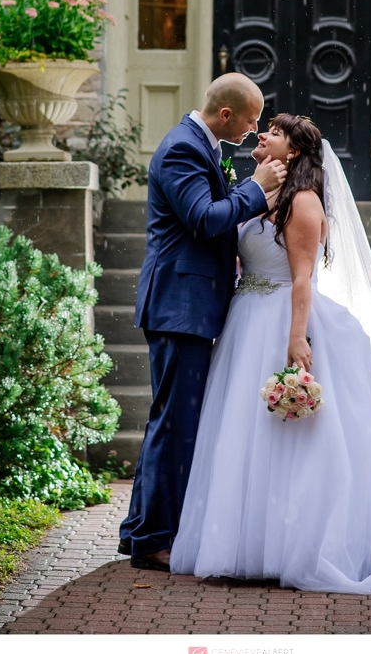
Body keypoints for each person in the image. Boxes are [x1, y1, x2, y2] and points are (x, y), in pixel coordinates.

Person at [170, 114, 371, 593]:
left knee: (294, 443)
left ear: (292, 152)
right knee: (245, 436)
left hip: (280, 319)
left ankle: (300, 543)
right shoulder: (257, 195)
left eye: (272, 131)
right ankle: (249, 541)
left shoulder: (303, 203)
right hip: (245, 321)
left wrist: (296, 339)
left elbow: (301, 279)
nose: (261, 135)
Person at [118, 74, 287, 572]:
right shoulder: (182, 150)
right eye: (253, 119)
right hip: (179, 305)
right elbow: (203, 219)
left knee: (173, 419)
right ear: (227, 114)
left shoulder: (204, 147)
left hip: (191, 304)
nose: (258, 130)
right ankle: (151, 538)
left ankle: (141, 530)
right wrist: (257, 190)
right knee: (175, 422)